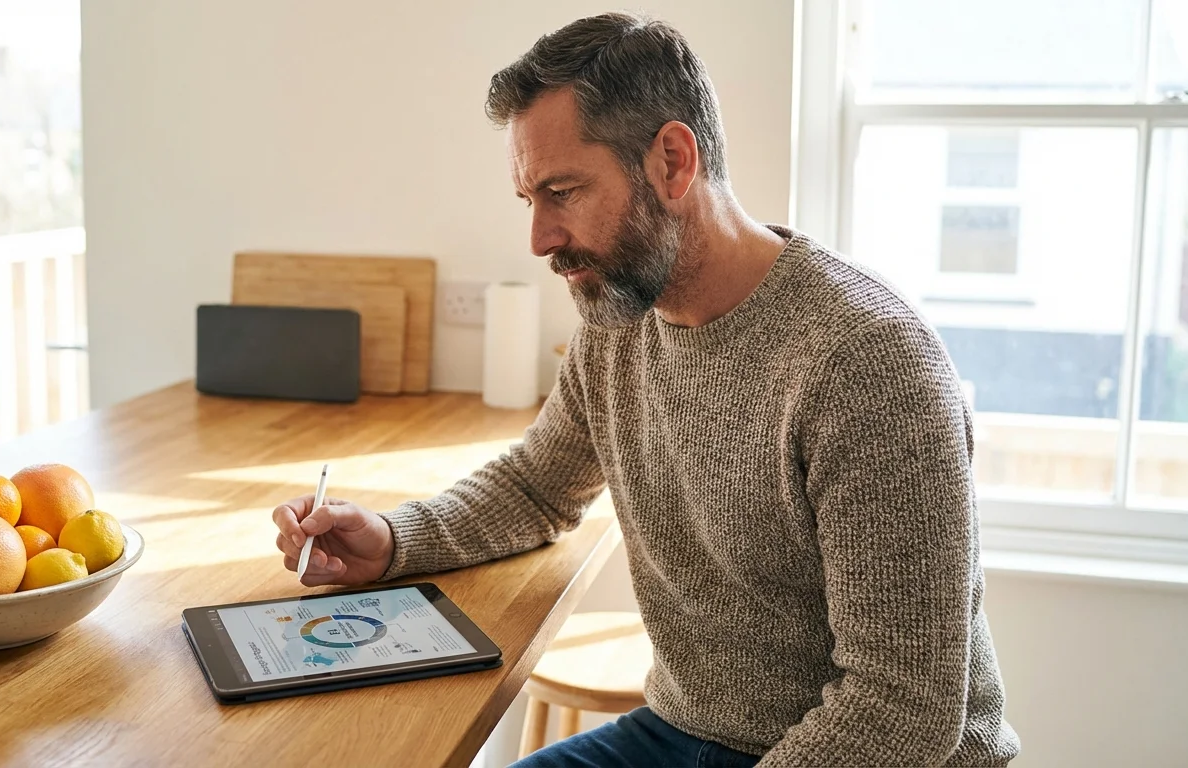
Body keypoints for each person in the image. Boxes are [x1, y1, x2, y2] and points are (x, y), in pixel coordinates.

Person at [272, 12, 1020, 767]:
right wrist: (395, 540)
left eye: (562, 191)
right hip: (682, 731)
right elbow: (537, 487)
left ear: (671, 161)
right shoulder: (619, 316)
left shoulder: (865, 360)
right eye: (529, 199)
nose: (539, 239)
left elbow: (902, 706)